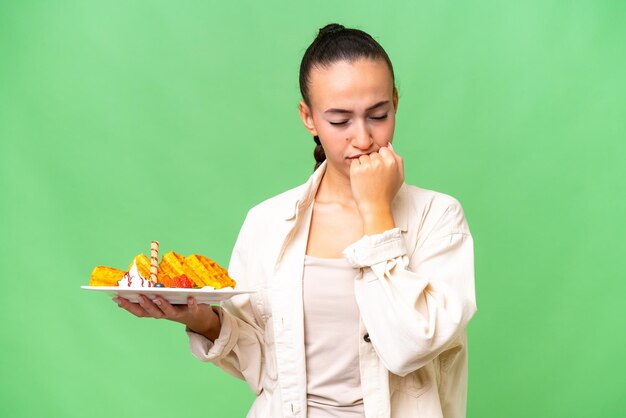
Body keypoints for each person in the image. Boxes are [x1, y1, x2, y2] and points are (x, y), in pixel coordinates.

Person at [115, 23, 477, 418]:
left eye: (378, 114)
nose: (362, 138)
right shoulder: (267, 222)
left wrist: (376, 213)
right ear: (308, 117)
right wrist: (205, 321)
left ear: (395, 102)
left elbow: (409, 346)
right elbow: (265, 367)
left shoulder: (438, 217)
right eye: (339, 120)